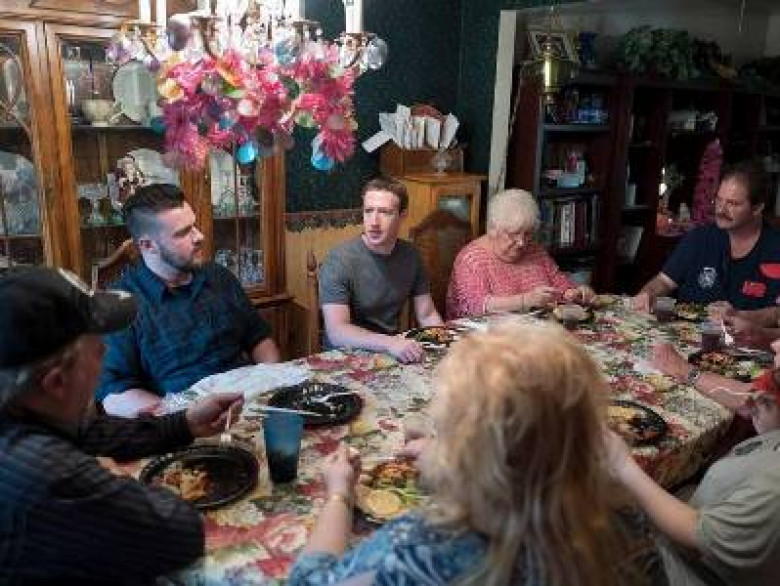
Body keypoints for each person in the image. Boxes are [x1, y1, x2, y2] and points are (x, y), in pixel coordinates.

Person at [289, 322, 666, 586]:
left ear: (470, 453)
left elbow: (309, 580)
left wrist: (339, 494)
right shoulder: (627, 522)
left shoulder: (424, 550)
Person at [0, 266, 243, 585]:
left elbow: (92, 433)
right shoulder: (47, 473)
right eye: (98, 350)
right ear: (57, 382)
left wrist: (185, 423)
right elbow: (180, 531)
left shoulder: (26, 410)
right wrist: (115, 479)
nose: (106, 352)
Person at [96, 183, 280, 417]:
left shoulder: (219, 276)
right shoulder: (120, 305)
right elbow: (114, 395)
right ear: (148, 245)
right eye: (183, 233)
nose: (199, 236)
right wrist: (184, 417)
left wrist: (270, 383)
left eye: (194, 225)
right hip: (179, 420)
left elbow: (260, 339)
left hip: (250, 404)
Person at [607, 338, 780, 586]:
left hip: (695, 569)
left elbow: (696, 533)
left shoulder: (774, 490)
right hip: (710, 516)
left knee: (596, 516)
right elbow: (747, 397)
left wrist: (622, 463)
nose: (775, 344)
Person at [319, 177, 443, 364]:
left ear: (402, 216)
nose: (374, 222)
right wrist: (389, 343)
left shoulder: (410, 255)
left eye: (385, 212)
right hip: (345, 356)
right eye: (368, 211)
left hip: (390, 352)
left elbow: (427, 315)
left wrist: (446, 345)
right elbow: (337, 331)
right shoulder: (340, 260)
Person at [632, 161, 780, 313]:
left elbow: (776, 314)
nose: (721, 210)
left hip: (744, 328)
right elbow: (664, 281)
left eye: (733, 204)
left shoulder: (775, 249)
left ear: (757, 208)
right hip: (686, 326)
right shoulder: (699, 238)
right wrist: (648, 293)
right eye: (719, 200)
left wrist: (741, 316)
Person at [446, 188, 594, 319]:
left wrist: (574, 293)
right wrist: (526, 300)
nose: (522, 242)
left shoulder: (535, 251)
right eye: (513, 234)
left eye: (527, 233)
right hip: (485, 336)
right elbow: (475, 306)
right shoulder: (472, 259)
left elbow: (559, 283)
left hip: (533, 330)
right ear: (493, 229)